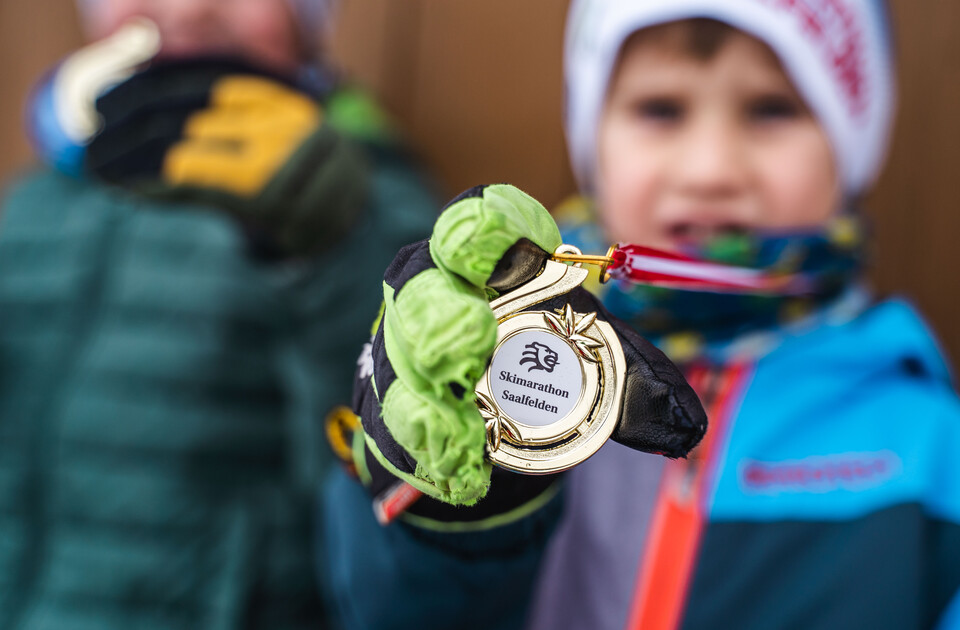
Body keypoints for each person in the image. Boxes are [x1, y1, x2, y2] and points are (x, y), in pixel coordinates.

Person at [321, 0, 960, 629]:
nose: (710, 169)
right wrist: (447, 514)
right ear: (592, 138)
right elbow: (389, 607)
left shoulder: (932, 452)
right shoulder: (504, 359)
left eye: (772, 110)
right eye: (661, 109)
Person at [0, 0, 436, 627]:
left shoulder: (367, 209)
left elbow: (389, 473)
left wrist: (334, 249)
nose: (188, 10)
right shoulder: (37, 202)